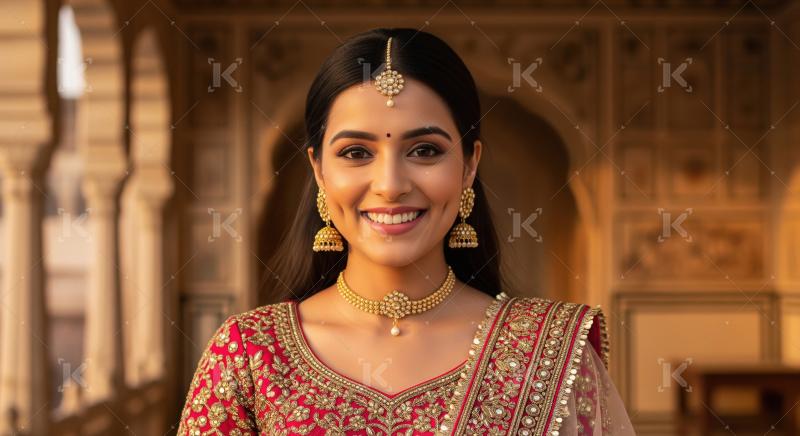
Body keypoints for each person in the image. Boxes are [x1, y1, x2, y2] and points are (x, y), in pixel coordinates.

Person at [177, 27, 636, 435]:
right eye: (356, 153)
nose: (392, 185)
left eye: (425, 150)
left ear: (470, 164)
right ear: (318, 168)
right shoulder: (249, 355)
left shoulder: (548, 350)